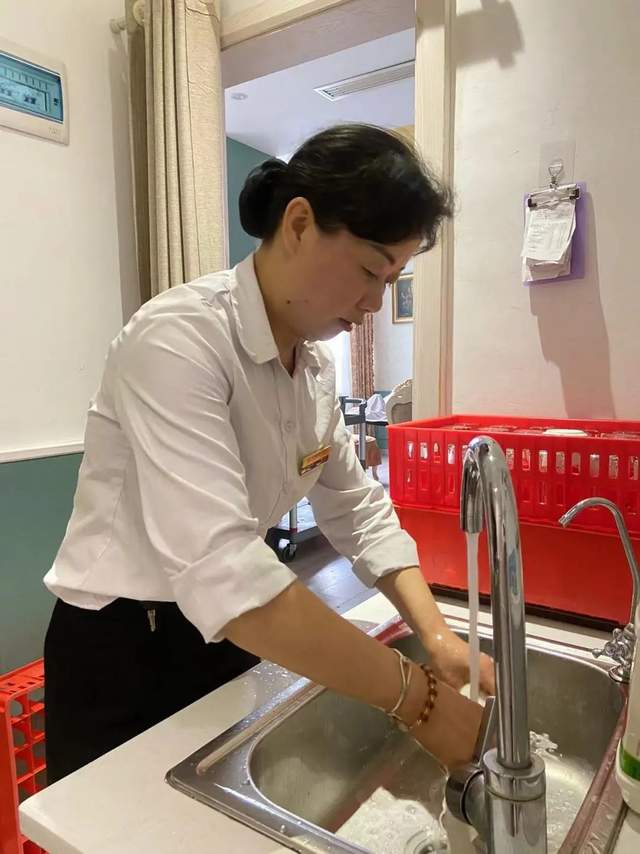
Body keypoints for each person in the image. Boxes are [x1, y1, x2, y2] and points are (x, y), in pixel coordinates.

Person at [43, 123, 494, 785]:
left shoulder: (313, 370)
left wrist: (437, 637)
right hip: (125, 647)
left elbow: (358, 510)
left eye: (392, 279)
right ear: (300, 223)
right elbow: (223, 565)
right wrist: (419, 700)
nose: (375, 303)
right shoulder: (178, 339)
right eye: (370, 271)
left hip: (229, 633)